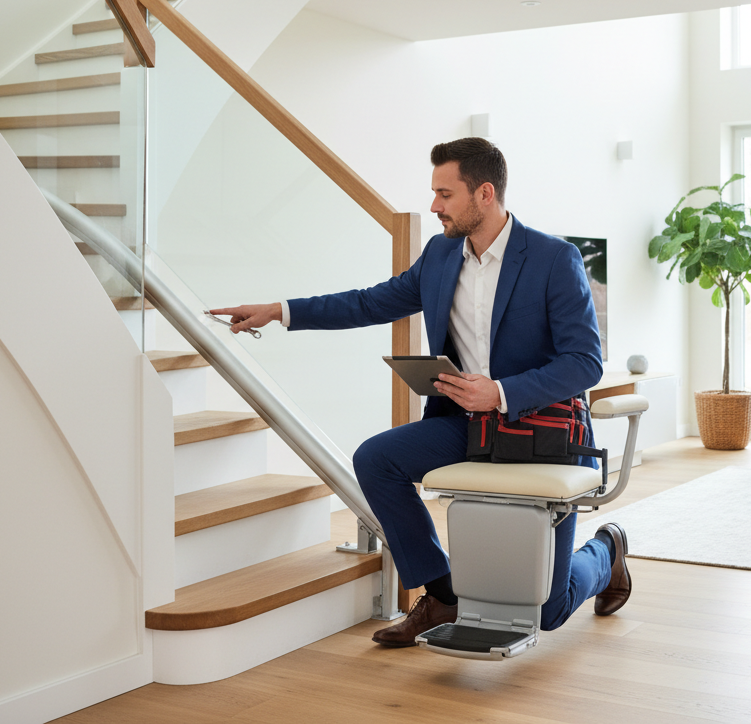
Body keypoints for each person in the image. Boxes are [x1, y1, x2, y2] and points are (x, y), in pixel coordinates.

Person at [211, 137, 631, 647]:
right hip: (465, 426)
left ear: (484, 193)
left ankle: (607, 551)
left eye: (444, 194)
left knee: (548, 610)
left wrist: (499, 391)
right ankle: (443, 592)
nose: (433, 206)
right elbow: (369, 303)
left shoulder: (552, 259)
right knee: (376, 460)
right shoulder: (439, 254)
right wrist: (281, 311)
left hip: (540, 430)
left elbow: (584, 362)